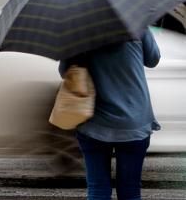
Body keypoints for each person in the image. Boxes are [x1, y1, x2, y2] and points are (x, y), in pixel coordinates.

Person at [59, 29, 160, 200]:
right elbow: (153, 59)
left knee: (97, 188)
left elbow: (65, 72)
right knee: (131, 190)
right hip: (134, 121)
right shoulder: (137, 23)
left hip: (93, 121)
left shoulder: (78, 30)